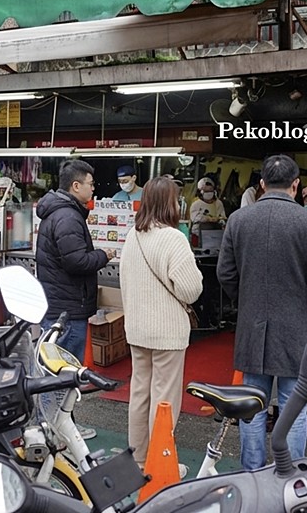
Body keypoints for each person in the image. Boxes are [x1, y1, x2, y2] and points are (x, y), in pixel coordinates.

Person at [217, 155, 307, 468]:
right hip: (298, 329)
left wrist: (247, 301)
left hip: (252, 327)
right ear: (295, 186)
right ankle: (291, 475)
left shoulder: (239, 220)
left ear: (262, 184)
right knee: (294, 412)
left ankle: (252, 473)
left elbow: (225, 273)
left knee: (251, 409)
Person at [119, 176, 203, 467]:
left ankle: (139, 458)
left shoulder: (133, 234)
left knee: (140, 392)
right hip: (166, 330)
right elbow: (191, 289)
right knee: (164, 398)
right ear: (171, 203)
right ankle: (160, 461)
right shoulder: (173, 238)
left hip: (137, 327)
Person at [35, 159, 114, 361]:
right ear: (76, 186)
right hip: (67, 310)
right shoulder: (67, 217)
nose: (94, 188)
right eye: (91, 184)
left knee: (54, 368)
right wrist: (103, 255)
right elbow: (76, 262)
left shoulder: (61, 212)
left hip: (60, 304)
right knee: (63, 372)